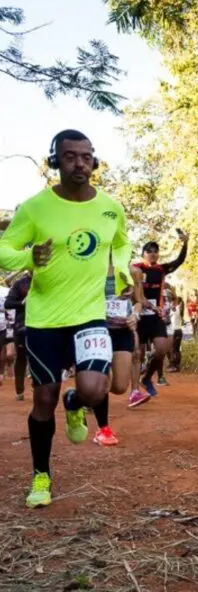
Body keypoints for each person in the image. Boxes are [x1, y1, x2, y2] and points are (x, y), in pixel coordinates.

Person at [0, 129, 132, 508]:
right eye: (70, 156)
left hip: (90, 314)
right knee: (43, 399)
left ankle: (76, 402)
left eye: (86, 156)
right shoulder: (35, 207)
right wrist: (28, 259)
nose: (79, 163)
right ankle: (41, 474)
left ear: (95, 161)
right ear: (55, 161)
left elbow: (121, 242)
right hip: (44, 319)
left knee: (94, 389)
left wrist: (120, 270)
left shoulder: (110, 207)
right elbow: (4, 247)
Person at [92, 262, 147, 445]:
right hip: (98, 329)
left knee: (119, 386)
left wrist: (135, 316)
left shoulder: (132, 271)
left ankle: (77, 396)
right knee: (103, 379)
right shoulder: (91, 266)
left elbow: (139, 301)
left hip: (122, 331)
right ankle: (103, 429)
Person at [132, 231, 188, 397]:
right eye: (149, 251)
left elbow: (179, 261)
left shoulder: (161, 269)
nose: (153, 254)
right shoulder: (136, 269)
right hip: (139, 316)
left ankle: (148, 378)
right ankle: (134, 390)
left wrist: (185, 244)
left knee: (162, 349)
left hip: (156, 316)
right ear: (143, 254)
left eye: (156, 251)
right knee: (138, 354)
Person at [5, 272, 31, 401]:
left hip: (44, 324)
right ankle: (19, 390)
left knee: (40, 355)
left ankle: (38, 385)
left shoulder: (49, 280)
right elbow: (8, 303)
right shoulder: (21, 283)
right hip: (22, 326)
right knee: (21, 357)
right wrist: (23, 303)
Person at [167, 296, 185, 372]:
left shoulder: (178, 309)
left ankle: (176, 365)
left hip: (177, 330)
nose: (173, 302)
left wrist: (177, 304)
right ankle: (172, 363)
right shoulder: (171, 310)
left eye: (175, 301)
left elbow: (175, 307)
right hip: (171, 331)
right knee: (169, 349)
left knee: (175, 349)